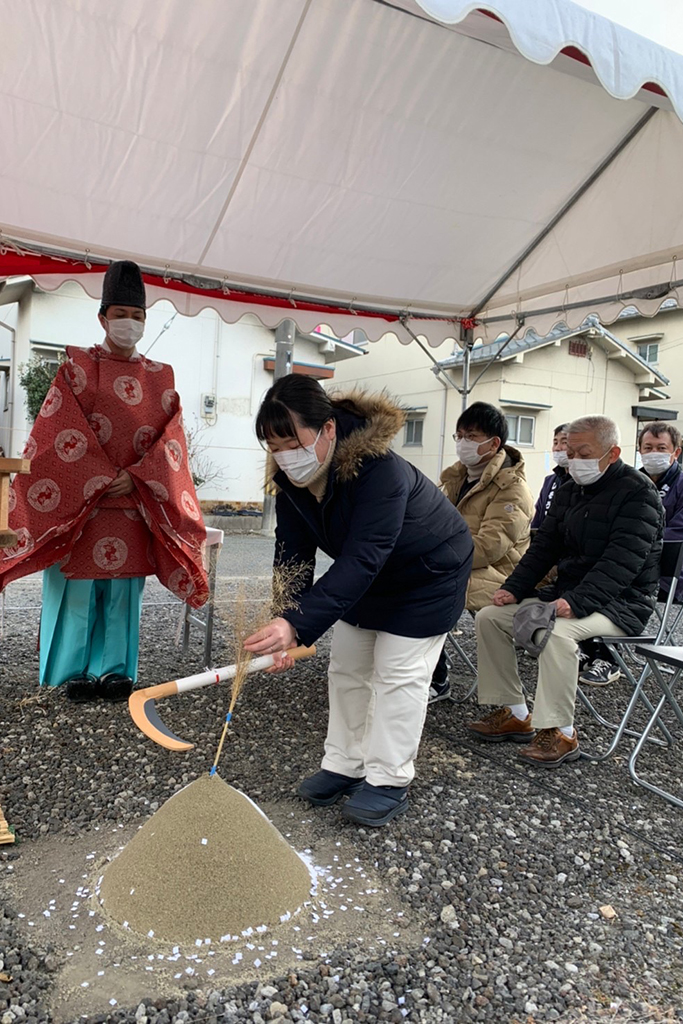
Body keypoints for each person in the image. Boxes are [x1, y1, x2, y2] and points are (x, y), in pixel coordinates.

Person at [243, 376, 473, 827]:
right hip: (367, 576)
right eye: (273, 445)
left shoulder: (378, 470)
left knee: (398, 674)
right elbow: (292, 555)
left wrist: (298, 623)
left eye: (292, 440)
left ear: (328, 429)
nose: (284, 454)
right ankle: (344, 765)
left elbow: (366, 555)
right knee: (347, 668)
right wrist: (284, 621)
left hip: (429, 574)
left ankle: (388, 777)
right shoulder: (291, 481)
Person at [0, 261, 208, 701]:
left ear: (145, 321)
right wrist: (97, 477)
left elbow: (171, 441)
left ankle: (115, 672)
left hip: (133, 503)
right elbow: (57, 431)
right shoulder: (76, 367)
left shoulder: (161, 378)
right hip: (81, 504)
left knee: (121, 593)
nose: (129, 324)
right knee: (76, 588)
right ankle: (69, 671)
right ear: (102, 318)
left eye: (137, 316)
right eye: (120, 314)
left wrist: (136, 477)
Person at [468, 415, 663, 767]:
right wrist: (513, 588)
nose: (573, 460)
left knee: (555, 634)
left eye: (582, 452)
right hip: (569, 596)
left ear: (613, 452)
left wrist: (576, 601)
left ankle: (562, 732)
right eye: (569, 452)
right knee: (490, 617)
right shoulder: (571, 487)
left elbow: (623, 563)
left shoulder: (639, 494)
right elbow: (545, 546)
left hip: (621, 604)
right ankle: (515, 711)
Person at [429, 401, 534, 702]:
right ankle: (407, 669)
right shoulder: (455, 479)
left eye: (472, 436)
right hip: (458, 563)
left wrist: (433, 557)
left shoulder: (512, 488)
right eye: (459, 435)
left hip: (501, 573)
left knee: (424, 590)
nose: (463, 443)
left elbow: (490, 547)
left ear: (494, 443)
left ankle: (436, 678)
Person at [531, 423, 570, 528]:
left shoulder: (582, 481)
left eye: (564, 442)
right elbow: (538, 519)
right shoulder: (550, 481)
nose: (557, 448)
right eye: (555, 442)